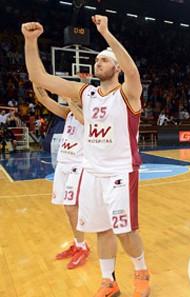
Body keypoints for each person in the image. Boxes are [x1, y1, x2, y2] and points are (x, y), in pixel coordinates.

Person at [23, 15, 151, 296]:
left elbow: (133, 71)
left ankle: (141, 270)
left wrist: (105, 33)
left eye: (104, 61)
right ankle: (109, 281)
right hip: (91, 171)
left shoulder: (129, 93)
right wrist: (30, 42)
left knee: (124, 231)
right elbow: (40, 78)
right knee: (101, 230)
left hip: (120, 171)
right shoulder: (86, 93)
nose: (98, 64)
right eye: (97, 61)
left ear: (116, 66)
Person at [33, 84, 90, 269]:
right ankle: (78, 243)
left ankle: (82, 247)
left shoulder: (90, 113)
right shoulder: (69, 112)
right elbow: (44, 99)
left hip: (78, 165)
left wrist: (69, 100)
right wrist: (37, 83)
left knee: (71, 207)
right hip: (63, 163)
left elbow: (85, 122)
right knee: (67, 209)